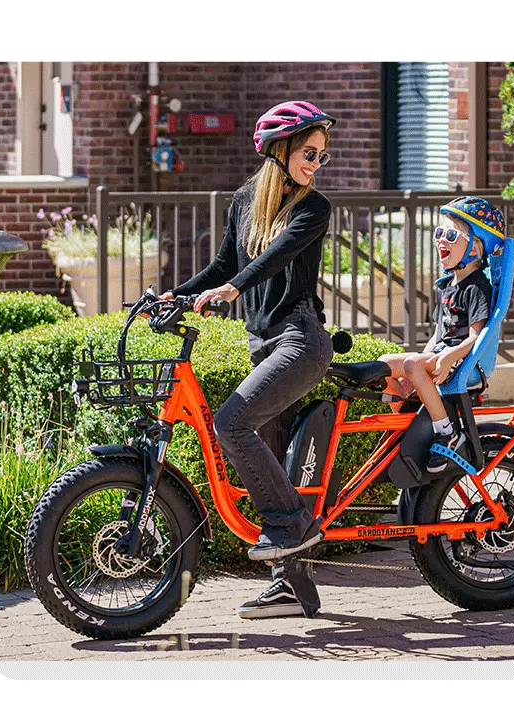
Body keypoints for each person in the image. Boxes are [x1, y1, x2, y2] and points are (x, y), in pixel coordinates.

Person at [161, 101, 337, 619]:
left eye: (321, 156)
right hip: (263, 344)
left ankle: (293, 526)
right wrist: (174, 295)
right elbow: (223, 265)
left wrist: (234, 289)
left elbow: (275, 255)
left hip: (301, 341)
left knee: (231, 423)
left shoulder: (314, 207)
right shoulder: (243, 201)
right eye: (309, 153)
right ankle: (290, 585)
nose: (315, 164)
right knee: (282, 466)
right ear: (278, 150)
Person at [378, 196, 504, 473]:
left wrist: (446, 357)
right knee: (383, 365)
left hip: (464, 361)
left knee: (412, 365)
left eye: (450, 235)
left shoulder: (476, 287)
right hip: (442, 356)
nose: (440, 240)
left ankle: (447, 432)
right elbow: (438, 332)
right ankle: (407, 418)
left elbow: (476, 338)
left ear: (475, 248)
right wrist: (426, 360)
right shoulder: (447, 286)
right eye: (439, 233)